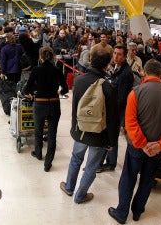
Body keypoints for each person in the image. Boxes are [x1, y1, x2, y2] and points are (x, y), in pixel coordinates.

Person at [108, 59, 161, 224]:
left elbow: (130, 122)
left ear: (144, 73)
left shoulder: (136, 93)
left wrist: (142, 143)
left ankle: (121, 213)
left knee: (129, 177)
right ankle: (137, 211)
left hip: (136, 147)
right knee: (147, 180)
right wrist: (159, 145)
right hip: (157, 149)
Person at [60, 48, 119, 204]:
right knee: (92, 166)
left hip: (80, 130)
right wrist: (111, 141)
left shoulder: (79, 81)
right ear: (107, 65)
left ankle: (69, 187)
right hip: (99, 135)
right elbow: (113, 118)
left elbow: (75, 108)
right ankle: (80, 195)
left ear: (91, 61)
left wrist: (74, 128)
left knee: (76, 159)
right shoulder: (107, 87)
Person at [23, 46, 68, 172]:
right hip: (54, 103)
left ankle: (38, 153)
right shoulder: (57, 70)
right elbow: (65, 89)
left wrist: (31, 94)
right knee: (52, 134)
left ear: (40, 57)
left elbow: (27, 89)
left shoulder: (36, 70)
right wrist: (58, 92)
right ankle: (48, 163)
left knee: (38, 130)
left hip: (40, 104)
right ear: (52, 56)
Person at [97, 44, 133, 172]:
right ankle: (109, 162)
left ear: (125, 56)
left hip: (116, 112)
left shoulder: (126, 73)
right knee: (111, 136)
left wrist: (111, 112)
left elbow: (122, 98)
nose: (116, 56)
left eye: (119, 54)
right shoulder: (117, 68)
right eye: (115, 53)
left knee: (111, 137)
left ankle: (110, 163)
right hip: (112, 109)